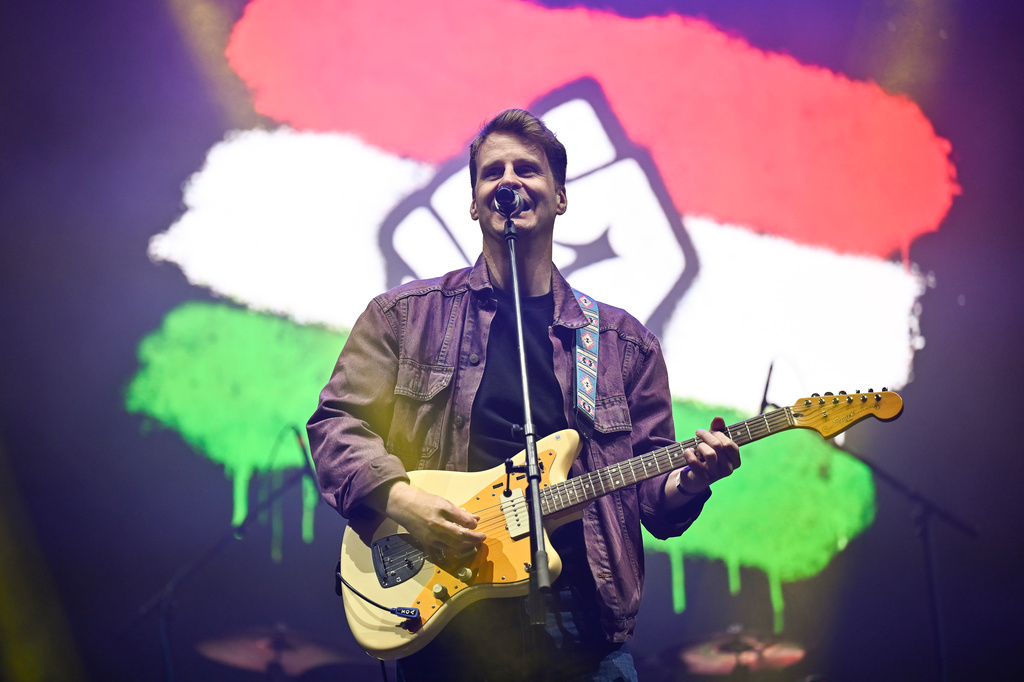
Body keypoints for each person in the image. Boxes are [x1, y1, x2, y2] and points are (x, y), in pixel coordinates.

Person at [307, 109, 740, 681]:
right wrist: (402, 501)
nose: (508, 181)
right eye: (492, 173)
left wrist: (691, 478)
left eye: (527, 170)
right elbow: (336, 423)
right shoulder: (405, 317)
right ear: (473, 201)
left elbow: (652, 500)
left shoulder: (622, 345)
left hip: (583, 636)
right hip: (449, 630)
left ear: (561, 198)